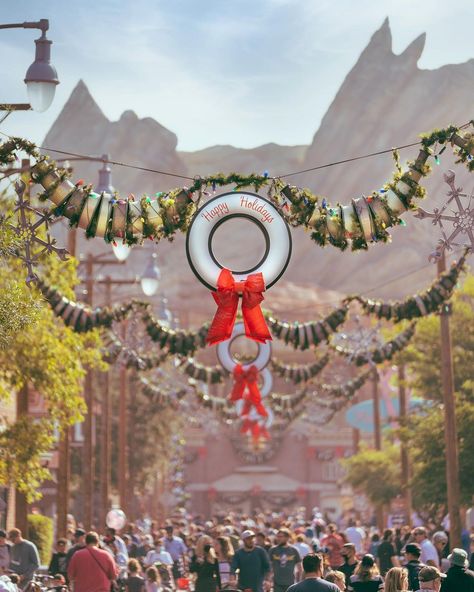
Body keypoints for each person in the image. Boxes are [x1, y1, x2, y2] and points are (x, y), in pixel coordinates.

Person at [269, 528, 302, 592]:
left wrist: (299, 581)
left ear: (287, 537)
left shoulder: (294, 550)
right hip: (277, 584)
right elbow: (269, 567)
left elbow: (300, 568)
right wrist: (268, 580)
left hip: (291, 583)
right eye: (277, 536)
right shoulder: (273, 550)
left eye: (281, 536)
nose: (278, 538)